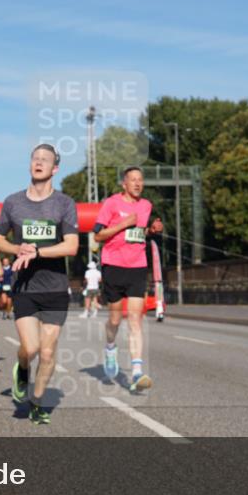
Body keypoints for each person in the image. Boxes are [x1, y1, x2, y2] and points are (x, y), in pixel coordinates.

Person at [0, 144, 79, 425]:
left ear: (55, 168)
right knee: (30, 349)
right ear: (30, 165)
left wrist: (38, 252)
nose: (39, 162)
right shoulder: (13, 202)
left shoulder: (64, 203)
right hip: (25, 287)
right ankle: (22, 369)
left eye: (45, 160)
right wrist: (17, 248)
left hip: (54, 287)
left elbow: (72, 246)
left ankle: (38, 403)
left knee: (48, 350)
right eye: (35, 158)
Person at [94, 166, 153, 393]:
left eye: (140, 180)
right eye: (133, 180)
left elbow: (141, 232)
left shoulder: (146, 205)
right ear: (124, 184)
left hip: (138, 266)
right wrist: (122, 224)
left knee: (135, 319)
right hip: (114, 266)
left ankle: (136, 372)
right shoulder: (111, 204)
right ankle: (110, 347)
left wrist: (152, 230)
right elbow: (98, 235)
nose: (138, 184)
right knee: (116, 321)